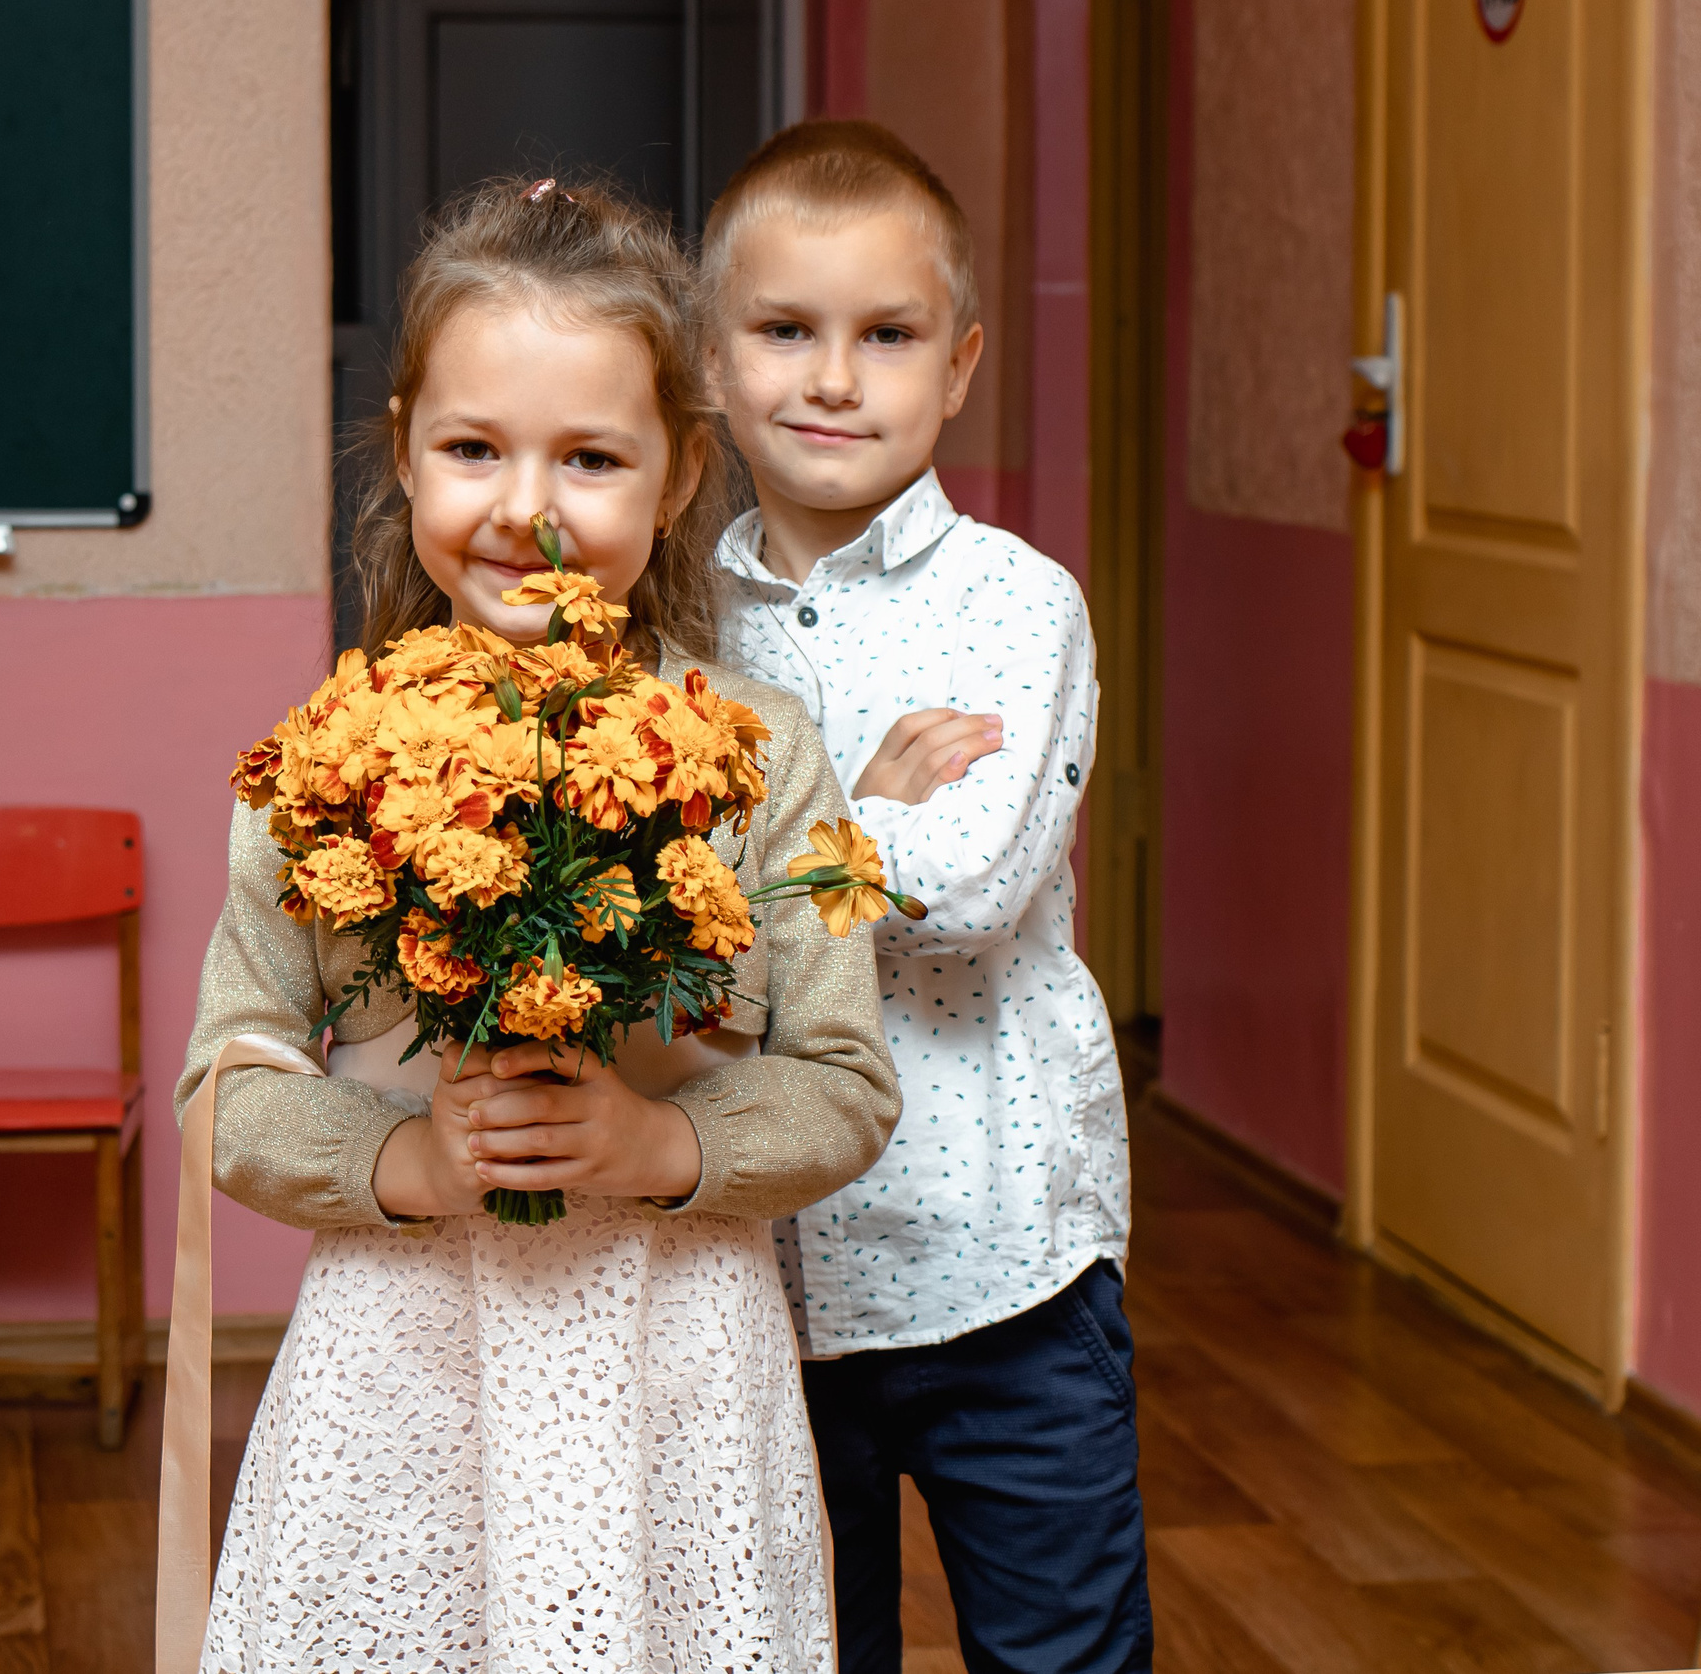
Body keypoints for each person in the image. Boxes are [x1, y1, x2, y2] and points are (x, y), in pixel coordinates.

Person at [169, 173, 902, 1673]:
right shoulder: (319, 755)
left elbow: (844, 1081)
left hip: (678, 1364)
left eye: (588, 458)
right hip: (402, 1367)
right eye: (472, 449)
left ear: (679, 472)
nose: (524, 507)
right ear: (403, 452)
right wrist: (406, 1159)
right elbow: (225, 1086)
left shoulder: (769, 748)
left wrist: (663, 1144)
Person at [702, 118, 1149, 1672]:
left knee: (1061, 1657)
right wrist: (855, 803)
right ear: (711, 361)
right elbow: (651, 925)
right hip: (765, 1273)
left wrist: (763, 840)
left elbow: (963, 885)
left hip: (1000, 1265)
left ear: (956, 368)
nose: (834, 379)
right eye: (784, 332)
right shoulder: (677, 631)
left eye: (884, 337)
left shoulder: (1017, 606)